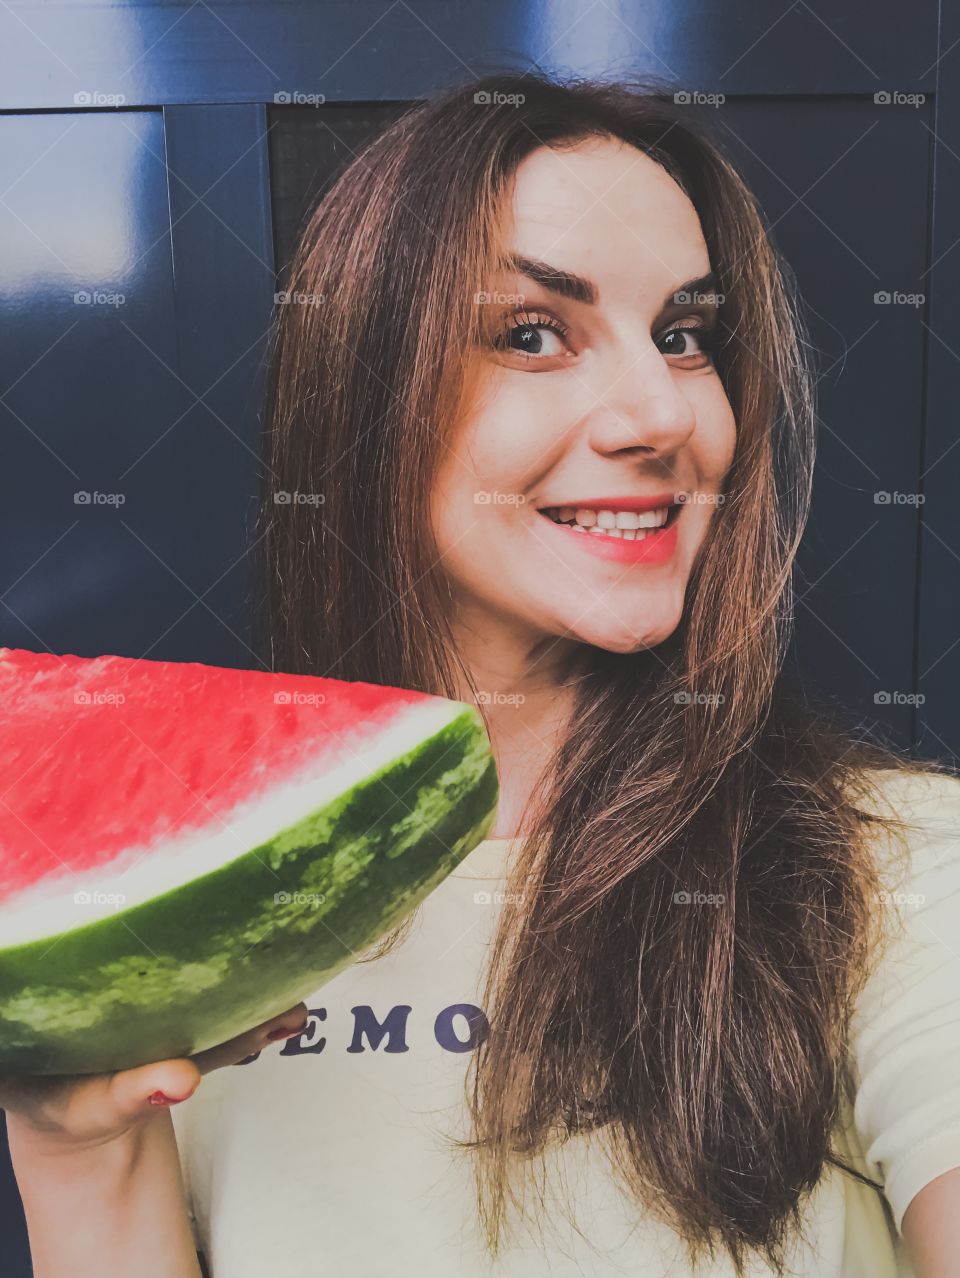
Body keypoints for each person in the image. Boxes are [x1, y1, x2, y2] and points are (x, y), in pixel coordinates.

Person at [4, 72, 960, 1277]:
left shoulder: (906, 868)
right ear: (367, 394)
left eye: (684, 334)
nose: (661, 412)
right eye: (532, 333)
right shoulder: (177, 908)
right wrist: (75, 1153)